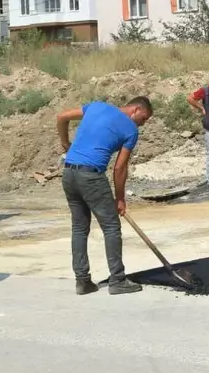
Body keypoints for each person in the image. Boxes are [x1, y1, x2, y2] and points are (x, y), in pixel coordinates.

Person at [56, 97, 154, 295]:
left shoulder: (96, 107)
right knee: (111, 227)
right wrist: (120, 198)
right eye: (143, 119)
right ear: (135, 109)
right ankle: (117, 280)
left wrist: (66, 143)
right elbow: (119, 167)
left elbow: (62, 116)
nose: (142, 124)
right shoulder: (130, 130)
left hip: (68, 173)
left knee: (79, 227)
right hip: (91, 176)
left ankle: (82, 281)